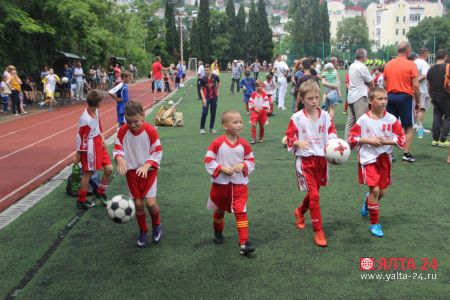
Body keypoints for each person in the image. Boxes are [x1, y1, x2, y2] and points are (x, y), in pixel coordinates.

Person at [285, 80, 337, 247]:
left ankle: (300, 211)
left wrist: (335, 147)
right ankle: (318, 231)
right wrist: (296, 142)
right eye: (310, 98)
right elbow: (289, 137)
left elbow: (332, 133)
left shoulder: (326, 116)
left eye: (316, 97)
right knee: (315, 195)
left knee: (314, 193)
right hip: (305, 160)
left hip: (322, 160)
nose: (314, 101)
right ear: (301, 99)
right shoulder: (297, 118)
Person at [348, 87, 406, 237]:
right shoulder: (363, 120)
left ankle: (368, 202)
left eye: (385, 99)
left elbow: (402, 139)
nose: (384, 102)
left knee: (381, 192)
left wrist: (385, 142)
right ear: (371, 100)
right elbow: (351, 138)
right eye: (380, 99)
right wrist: (367, 140)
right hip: (368, 159)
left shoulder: (391, 119)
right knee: (374, 190)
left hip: (385, 159)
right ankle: (374, 224)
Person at [204, 110, 256, 255]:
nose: (239, 124)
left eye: (240, 122)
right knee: (219, 210)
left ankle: (244, 242)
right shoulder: (217, 143)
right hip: (221, 185)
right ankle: (218, 232)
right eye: (235, 122)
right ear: (225, 126)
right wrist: (220, 168)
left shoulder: (244, 145)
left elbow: (251, 161)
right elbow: (208, 161)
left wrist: (244, 165)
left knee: (241, 211)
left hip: (239, 185)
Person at [113, 101, 163, 248]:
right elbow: (117, 149)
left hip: (149, 172)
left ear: (143, 115)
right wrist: (119, 158)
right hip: (132, 174)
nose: (132, 125)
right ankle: (143, 231)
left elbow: (157, 151)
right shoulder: (122, 131)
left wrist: (147, 165)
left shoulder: (150, 131)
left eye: (136, 121)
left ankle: (157, 226)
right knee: (138, 204)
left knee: (150, 204)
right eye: (129, 122)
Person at [73, 90, 113, 209]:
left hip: (97, 143)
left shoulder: (96, 110)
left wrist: (102, 137)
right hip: (90, 147)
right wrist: (78, 155)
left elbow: (98, 125)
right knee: (88, 173)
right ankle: (81, 200)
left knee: (109, 169)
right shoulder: (86, 120)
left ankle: (100, 193)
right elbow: (81, 138)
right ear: (99, 103)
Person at [383, 41, 420, 163]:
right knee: (408, 127)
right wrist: (418, 101)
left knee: (390, 126)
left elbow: (384, 83)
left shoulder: (388, 64)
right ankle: (406, 154)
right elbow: (415, 86)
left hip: (390, 96)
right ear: (408, 51)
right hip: (405, 97)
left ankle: (389, 153)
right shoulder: (411, 65)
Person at [344, 48, 374, 140]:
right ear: (363, 56)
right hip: (360, 96)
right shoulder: (362, 66)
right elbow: (371, 82)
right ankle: (362, 143)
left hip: (351, 96)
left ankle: (347, 141)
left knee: (350, 121)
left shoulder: (352, 65)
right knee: (362, 121)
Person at [427, 49, 450, 148]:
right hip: (446, 95)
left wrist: (431, 94)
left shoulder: (430, 69)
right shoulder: (448, 66)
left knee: (437, 116)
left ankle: (435, 139)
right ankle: (443, 139)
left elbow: (428, 84)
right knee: (448, 117)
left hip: (434, 95)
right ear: (445, 56)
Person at [414, 48, 431, 139]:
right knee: (422, 109)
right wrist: (416, 82)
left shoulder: (414, 62)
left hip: (415, 90)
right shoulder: (424, 64)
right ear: (425, 53)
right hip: (422, 90)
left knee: (417, 109)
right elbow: (424, 76)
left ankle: (417, 126)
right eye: (428, 53)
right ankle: (419, 128)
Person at [199, 64, 220, 134]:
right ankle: (202, 128)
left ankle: (211, 128)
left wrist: (217, 92)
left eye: (207, 70)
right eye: (205, 70)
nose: (205, 71)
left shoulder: (215, 76)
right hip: (206, 98)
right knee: (205, 113)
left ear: (210, 70)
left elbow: (219, 82)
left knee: (213, 113)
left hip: (214, 98)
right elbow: (201, 89)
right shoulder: (203, 78)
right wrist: (203, 99)